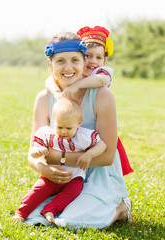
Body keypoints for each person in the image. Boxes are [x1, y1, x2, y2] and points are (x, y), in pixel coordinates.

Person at [24, 31, 132, 228]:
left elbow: (107, 156)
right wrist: (43, 168)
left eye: (75, 60)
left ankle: (120, 207)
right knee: (34, 217)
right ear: (50, 65)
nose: (68, 67)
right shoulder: (44, 98)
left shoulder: (102, 96)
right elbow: (33, 151)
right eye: (60, 61)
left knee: (72, 221)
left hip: (99, 174)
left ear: (84, 63)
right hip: (62, 177)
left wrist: (58, 157)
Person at [45, 26, 133, 176]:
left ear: (105, 60)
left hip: (100, 132)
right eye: (88, 56)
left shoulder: (101, 73)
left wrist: (77, 85)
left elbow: (100, 80)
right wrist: (57, 93)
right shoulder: (72, 73)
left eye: (99, 58)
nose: (93, 61)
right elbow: (49, 80)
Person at [12, 97, 106, 224]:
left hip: (73, 178)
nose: (63, 131)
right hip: (50, 176)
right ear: (53, 122)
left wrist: (89, 154)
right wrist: (37, 151)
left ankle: (50, 210)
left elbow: (102, 145)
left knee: (73, 192)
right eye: (59, 126)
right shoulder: (48, 135)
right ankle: (21, 213)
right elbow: (34, 151)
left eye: (68, 128)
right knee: (37, 191)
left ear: (79, 123)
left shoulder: (83, 136)